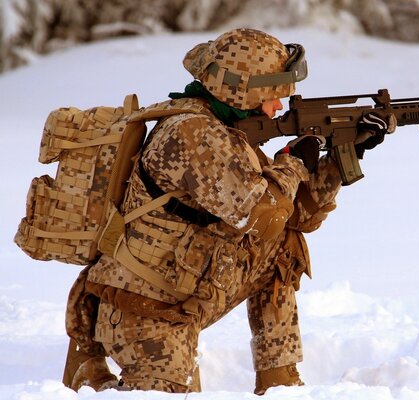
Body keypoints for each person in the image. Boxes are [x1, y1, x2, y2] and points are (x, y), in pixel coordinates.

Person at [62, 28, 393, 394]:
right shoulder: (193, 136)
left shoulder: (227, 133)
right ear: (244, 91)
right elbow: (261, 215)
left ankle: (280, 382)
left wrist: (338, 160)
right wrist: (294, 164)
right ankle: (90, 362)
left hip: (186, 295)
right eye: (273, 94)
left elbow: (296, 219)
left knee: (284, 249)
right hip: (143, 310)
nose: (279, 106)